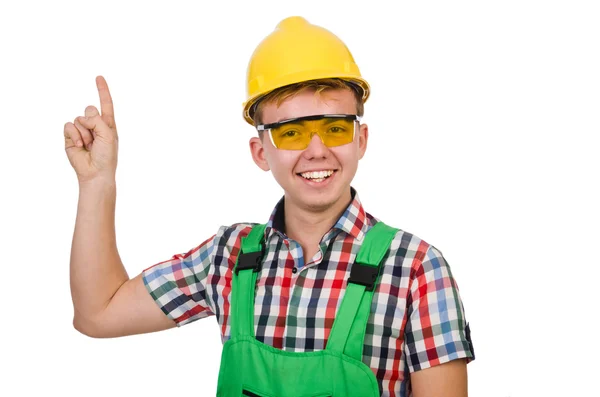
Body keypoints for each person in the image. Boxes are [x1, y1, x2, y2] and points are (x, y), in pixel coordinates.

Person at [65, 16, 475, 397]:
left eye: (334, 128)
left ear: (361, 139)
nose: (317, 151)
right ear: (260, 152)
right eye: (292, 132)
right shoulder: (229, 256)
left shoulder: (417, 270)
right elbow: (98, 313)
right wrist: (97, 182)